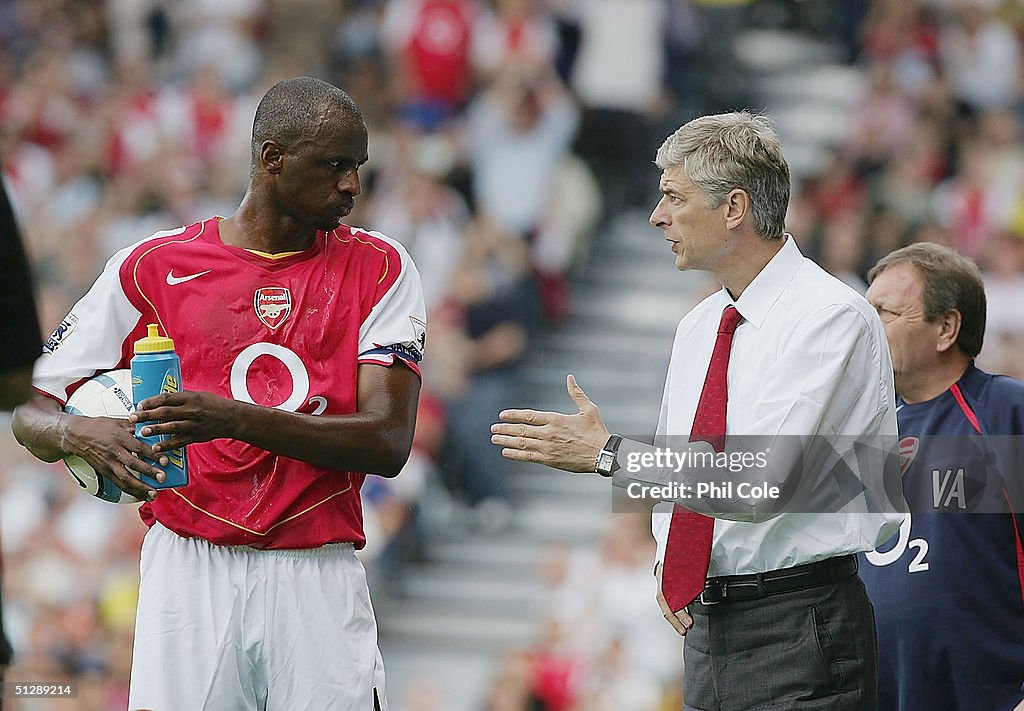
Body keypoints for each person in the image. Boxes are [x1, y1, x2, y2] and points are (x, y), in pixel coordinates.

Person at [12, 76, 426, 711]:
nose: (352, 186)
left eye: (357, 167)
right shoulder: (154, 265)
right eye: (335, 165)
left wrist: (232, 419)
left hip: (315, 566)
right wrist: (79, 432)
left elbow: (387, 441)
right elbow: (31, 406)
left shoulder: (381, 268)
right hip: (188, 566)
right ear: (272, 159)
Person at [491, 111, 904, 709]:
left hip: (799, 622)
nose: (658, 216)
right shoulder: (698, 326)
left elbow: (760, 479)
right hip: (709, 629)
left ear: (734, 208)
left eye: (674, 197)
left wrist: (609, 455)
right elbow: (684, 466)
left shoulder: (829, 316)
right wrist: (673, 553)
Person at [859, 243, 1024, 710]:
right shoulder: (866, 432)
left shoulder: (1006, 413)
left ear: (946, 328)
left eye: (886, 312)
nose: (867, 327)